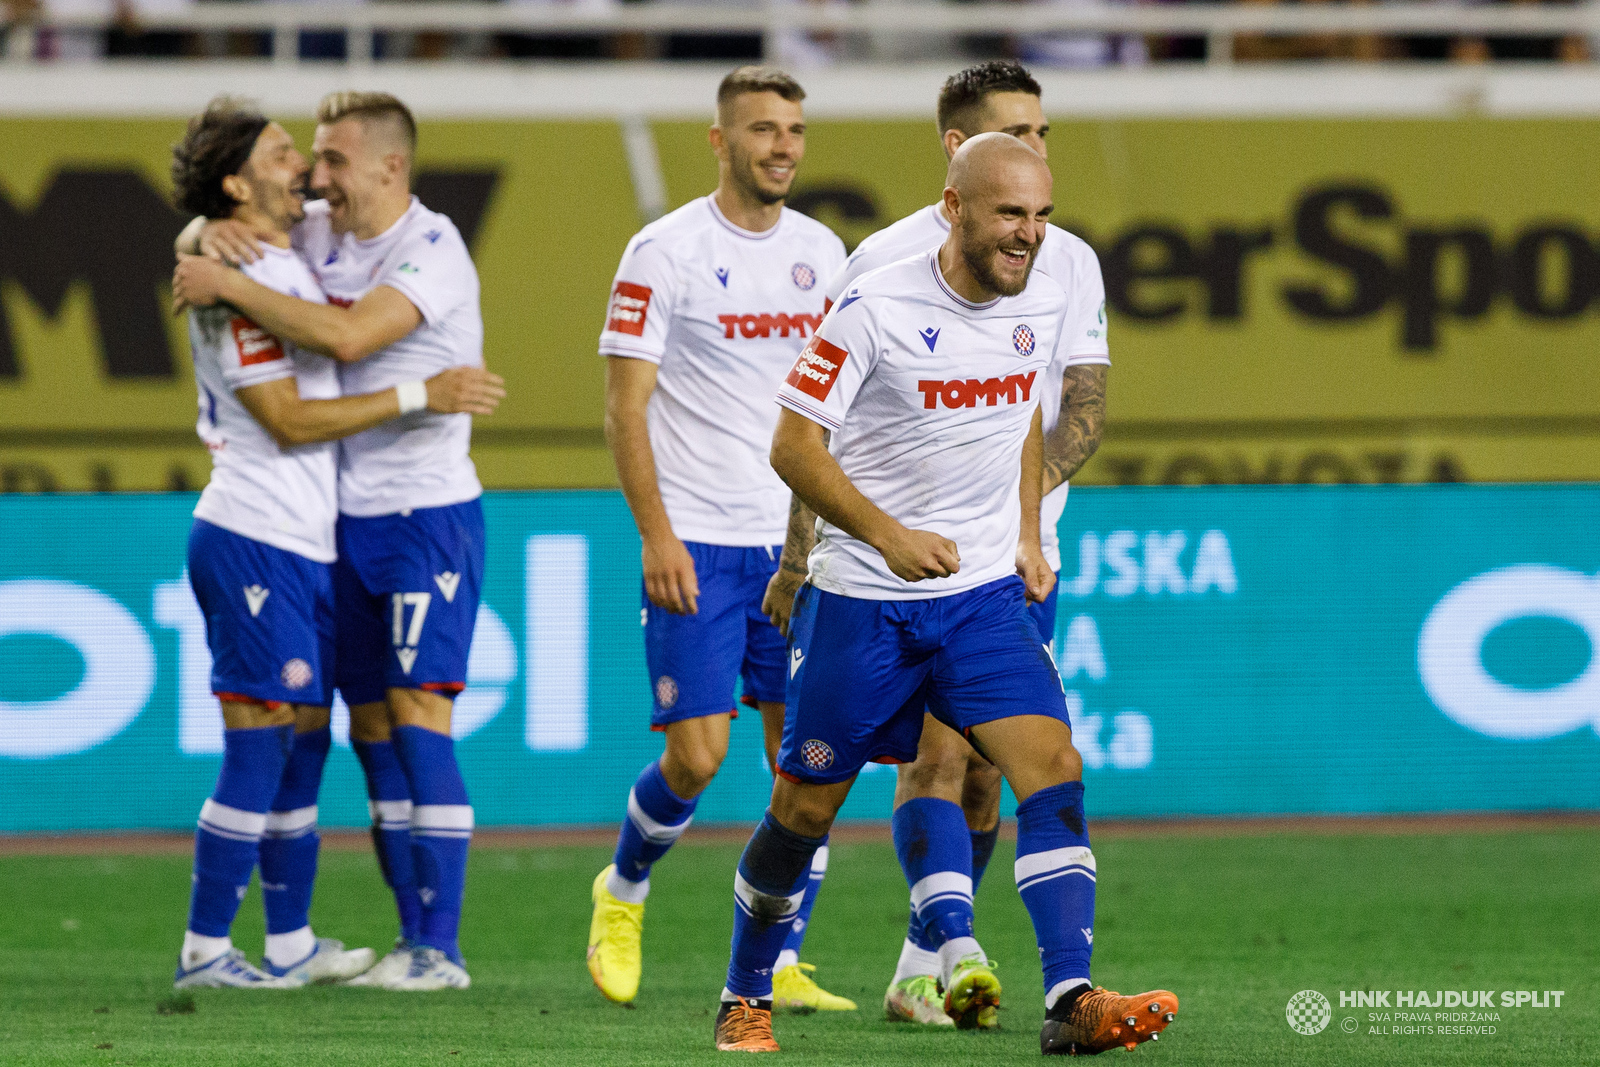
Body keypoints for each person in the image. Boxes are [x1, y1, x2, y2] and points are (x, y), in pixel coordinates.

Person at [713, 133, 1176, 1055]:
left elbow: (1022, 422)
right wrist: (883, 535)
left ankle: (1070, 998)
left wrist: (1024, 533)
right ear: (955, 206)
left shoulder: (1043, 300)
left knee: (1053, 770)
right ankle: (744, 992)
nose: (1031, 235)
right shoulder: (871, 308)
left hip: (978, 598)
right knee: (803, 809)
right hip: (863, 599)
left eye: (1042, 215)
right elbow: (793, 448)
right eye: (1011, 213)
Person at [764, 59, 1109, 1027]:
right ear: (959, 158)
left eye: (1043, 136)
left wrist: (1028, 531)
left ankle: (947, 961)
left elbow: (1073, 410)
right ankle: (938, 949)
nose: (1035, 156)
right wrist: (806, 556)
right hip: (882, 576)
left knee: (1009, 771)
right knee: (922, 768)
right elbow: (813, 426)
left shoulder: (1063, 260)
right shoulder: (879, 269)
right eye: (1015, 135)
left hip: (1000, 563)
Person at [168, 97, 504, 989]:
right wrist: (200, 238)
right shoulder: (300, 238)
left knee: (412, 721)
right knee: (334, 731)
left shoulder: (429, 247)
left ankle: (433, 947)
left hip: (420, 515)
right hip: (304, 528)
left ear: (390, 168)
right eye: (300, 156)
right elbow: (221, 233)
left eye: (328, 159)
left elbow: (351, 335)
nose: (314, 176)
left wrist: (214, 260)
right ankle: (270, 944)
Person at [586, 65, 851, 1012]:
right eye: (763, 129)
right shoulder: (663, 250)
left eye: (794, 129)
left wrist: (813, 539)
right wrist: (656, 535)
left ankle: (780, 961)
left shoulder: (826, 253)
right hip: (696, 538)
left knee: (808, 762)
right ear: (719, 140)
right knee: (697, 758)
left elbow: (833, 410)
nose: (782, 145)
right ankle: (622, 889)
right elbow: (625, 408)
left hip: (798, 550)